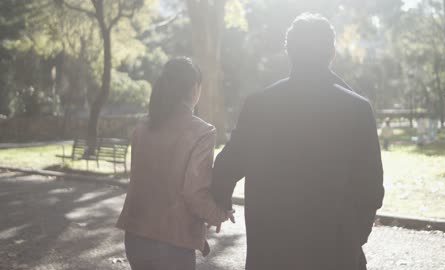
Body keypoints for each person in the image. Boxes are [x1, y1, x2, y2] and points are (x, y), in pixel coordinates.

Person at [212, 13, 384, 270]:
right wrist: (355, 235)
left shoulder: (259, 106)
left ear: (289, 53)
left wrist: (220, 201)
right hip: (334, 250)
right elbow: (371, 186)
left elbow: (227, 166)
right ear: (332, 53)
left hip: (271, 251)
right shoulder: (357, 109)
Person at [116, 57, 234, 270]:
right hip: (171, 243)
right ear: (194, 89)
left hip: (134, 235)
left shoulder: (142, 127)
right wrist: (219, 213)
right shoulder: (202, 132)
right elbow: (194, 192)